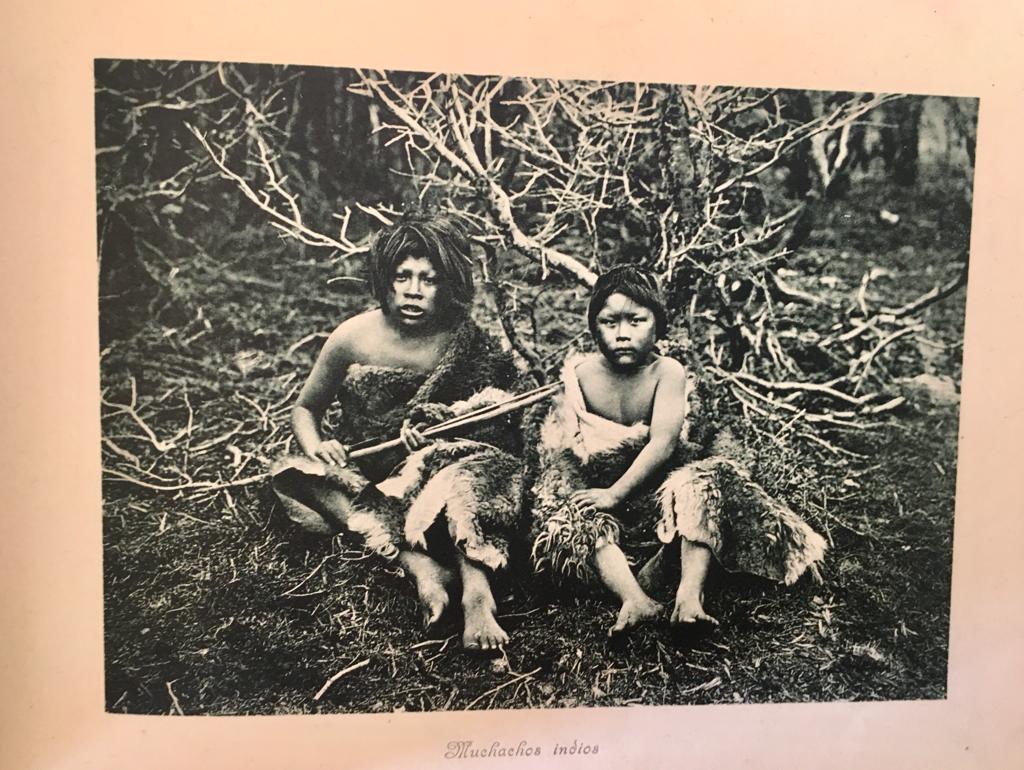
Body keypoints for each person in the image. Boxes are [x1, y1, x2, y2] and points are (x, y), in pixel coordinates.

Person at [527, 265, 827, 635]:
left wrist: (615, 493)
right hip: (601, 485)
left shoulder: (665, 372)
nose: (622, 334)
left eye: (635, 320)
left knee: (701, 487)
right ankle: (635, 598)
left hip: (654, 485)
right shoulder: (580, 376)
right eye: (609, 322)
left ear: (657, 325)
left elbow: (664, 442)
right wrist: (592, 489)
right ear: (593, 326)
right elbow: (567, 447)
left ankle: (688, 596)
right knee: (570, 515)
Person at [270, 214, 523, 650]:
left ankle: (477, 594)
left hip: (442, 484)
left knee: (470, 475)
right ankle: (421, 567)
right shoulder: (353, 336)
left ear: (450, 286)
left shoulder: (465, 340)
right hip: (372, 473)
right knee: (298, 475)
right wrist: (320, 446)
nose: (412, 289)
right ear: (385, 280)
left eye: (429, 279)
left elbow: (494, 426)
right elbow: (305, 409)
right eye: (402, 276)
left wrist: (438, 437)